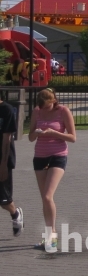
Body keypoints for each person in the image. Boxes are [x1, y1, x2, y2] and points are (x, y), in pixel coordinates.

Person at [27, 88, 75, 253]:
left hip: (58, 155)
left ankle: (52, 235)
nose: (44, 109)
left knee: (48, 195)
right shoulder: (37, 111)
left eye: (47, 106)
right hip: (40, 155)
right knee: (45, 199)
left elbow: (73, 137)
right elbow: (30, 136)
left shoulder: (63, 111)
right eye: (41, 106)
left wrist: (54, 132)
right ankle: (48, 235)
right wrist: (37, 133)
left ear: (54, 101)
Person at [1, 96, 24, 236]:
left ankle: (15, 214)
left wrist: (3, 164)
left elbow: (7, 138)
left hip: (2, 159)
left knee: (4, 201)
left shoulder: (6, 110)